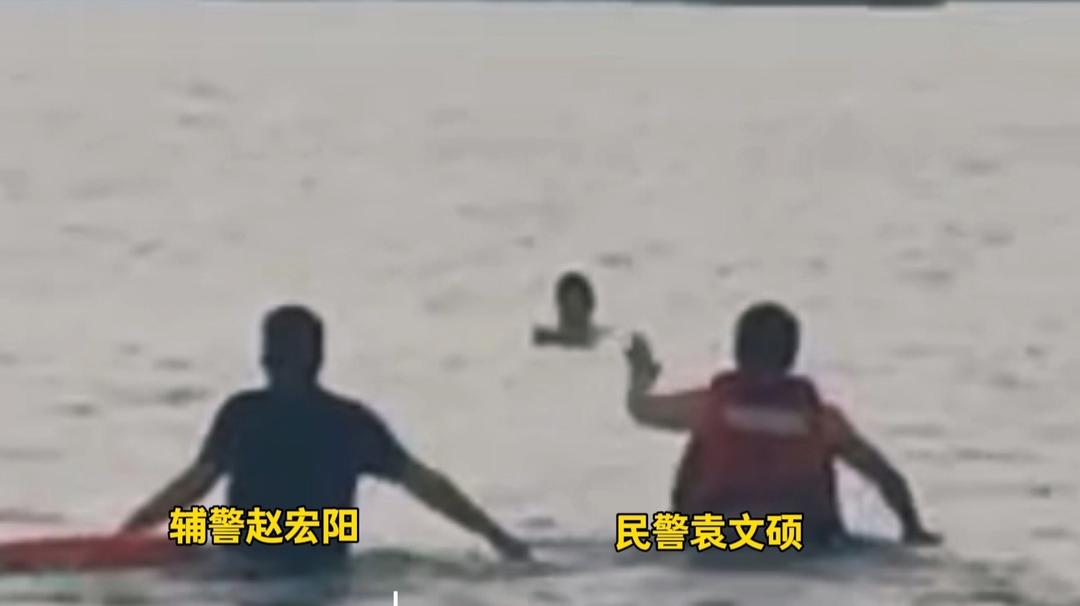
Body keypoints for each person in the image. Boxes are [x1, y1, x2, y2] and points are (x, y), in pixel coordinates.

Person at [121, 305, 530, 572]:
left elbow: (193, 485)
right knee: (205, 531)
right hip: (322, 545)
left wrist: (130, 534)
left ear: (265, 358)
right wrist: (496, 536)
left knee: (195, 532)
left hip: (249, 547)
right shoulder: (351, 422)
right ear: (319, 358)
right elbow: (426, 485)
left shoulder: (244, 413)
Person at [623, 301, 940, 549]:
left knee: (635, 534)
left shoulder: (707, 408)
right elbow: (886, 477)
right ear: (791, 355)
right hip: (800, 536)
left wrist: (640, 375)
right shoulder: (821, 421)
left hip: (718, 535)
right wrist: (913, 529)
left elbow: (639, 409)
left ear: (738, 352)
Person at [532, 271, 607, 349]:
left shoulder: (604, 341)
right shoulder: (544, 344)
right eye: (567, 304)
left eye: (576, 302)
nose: (572, 310)